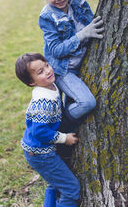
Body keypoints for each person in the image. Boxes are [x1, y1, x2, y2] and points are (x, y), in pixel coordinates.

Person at [38, 0, 106, 128]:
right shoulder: (47, 17)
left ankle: (67, 139)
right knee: (87, 103)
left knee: (73, 103)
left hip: (81, 64)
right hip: (64, 70)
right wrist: (82, 35)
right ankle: (64, 124)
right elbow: (56, 50)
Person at [15, 52, 80, 207]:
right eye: (40, 72)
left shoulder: (50, 86)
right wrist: (64, 138)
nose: (48, 71)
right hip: (40, 153)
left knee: (55, 184)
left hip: (38, 150)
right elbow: (39, 131)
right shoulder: (43, 102)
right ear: (32, 82)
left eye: (46, 65)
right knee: (71, 189)